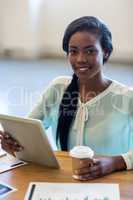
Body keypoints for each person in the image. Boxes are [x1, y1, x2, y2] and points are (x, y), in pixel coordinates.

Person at [0, 16, 133, 181]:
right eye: (73, 51)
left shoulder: (127, 97)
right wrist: (12, 143)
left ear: (105, 52)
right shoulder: (58, 88)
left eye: (90, 51)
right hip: (66, 180)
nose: (80, 59)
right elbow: (29, 131)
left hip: (114, 181)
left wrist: (115, 162)